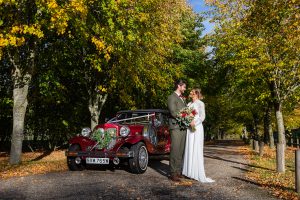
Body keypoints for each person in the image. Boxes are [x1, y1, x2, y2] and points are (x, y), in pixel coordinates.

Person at [182, 88, 215, 183]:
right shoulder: (188, 104)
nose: (190, 93)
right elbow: (184, 115)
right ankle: (188, 172)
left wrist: (194, 122)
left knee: (196, 148)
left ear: (196, 94)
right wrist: (187, 121)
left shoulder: (201, 103)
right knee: (189, 148)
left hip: (197, 128)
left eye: (192, 92)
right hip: (189, 128)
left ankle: (196, 173)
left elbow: (202, 116)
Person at [167, 79, 187, 182]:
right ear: (179, 86)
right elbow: (173, 112)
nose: (185, 88)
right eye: (184, 86)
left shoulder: (183, 98)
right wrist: (186, 118)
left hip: (183, 127)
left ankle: (178, 171)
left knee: (180, 150)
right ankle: (172, 173)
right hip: (175, 127)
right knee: (175, 149)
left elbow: (185, 111)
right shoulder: (171, 97)